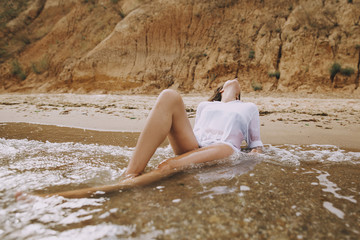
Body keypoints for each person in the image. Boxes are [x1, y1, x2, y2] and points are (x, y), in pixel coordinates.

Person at [34, 78, 263, 198]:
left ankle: (95, 192)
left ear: (239, 93)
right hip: (197, 145)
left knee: (167, 165)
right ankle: (131, 173)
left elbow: (256, 146)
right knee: (169, 95)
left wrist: (243, 163)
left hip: (224, 147)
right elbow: (196, 133)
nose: (233, 80)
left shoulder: (249, 108)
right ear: (221, 90)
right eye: (227, 82)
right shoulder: (206, 105)